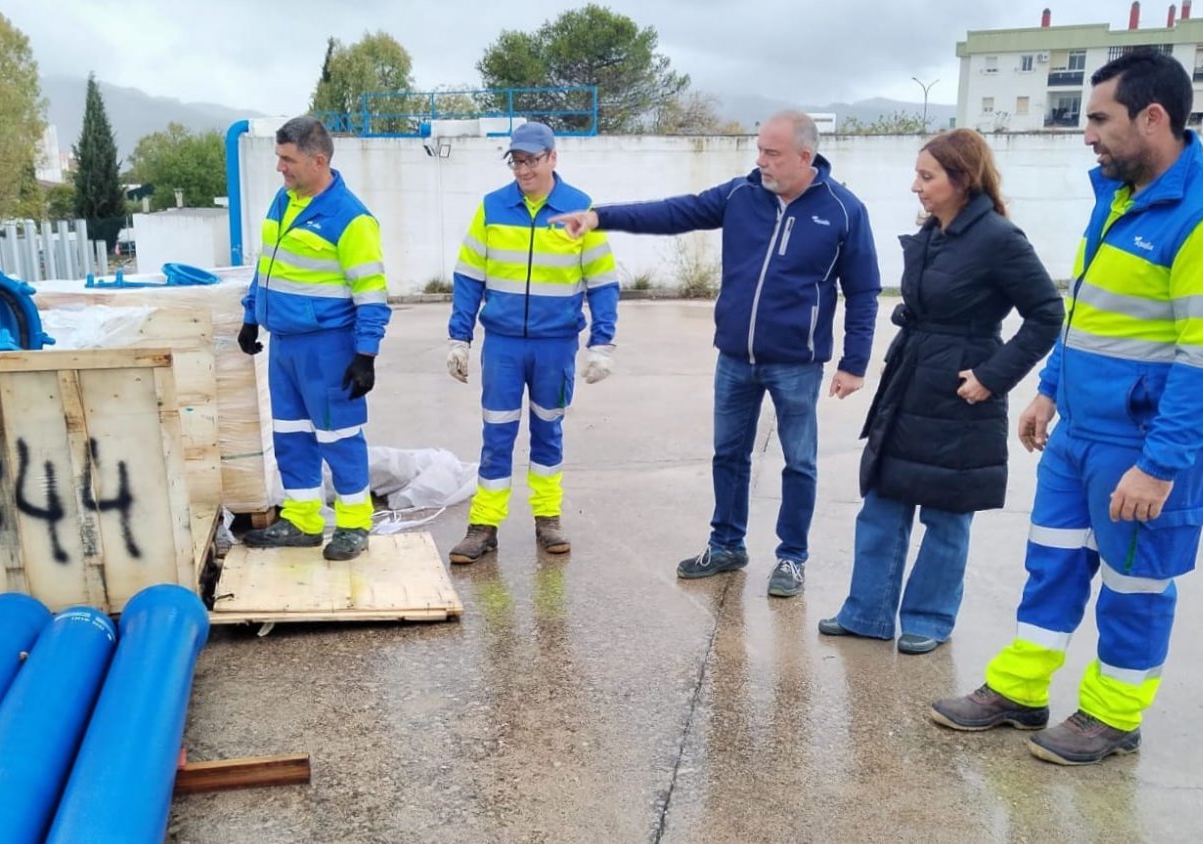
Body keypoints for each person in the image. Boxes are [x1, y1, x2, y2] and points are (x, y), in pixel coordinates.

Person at [930, 51, 1203, 765]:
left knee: (1134, 583)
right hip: (1085, 428)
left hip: (1152, 441)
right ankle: (1020, 690)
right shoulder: (1116, 196)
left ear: (1153, 118)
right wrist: (1050, 388)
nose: (1086, 134)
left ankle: (1114, 715)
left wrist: (1159, 466)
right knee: (1051, 562)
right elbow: (1085, 311)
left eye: (1099, 118)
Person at [552, 110, 881, 597]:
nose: (761, 161)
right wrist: (600, 217)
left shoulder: (842, 210)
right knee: (728, 454)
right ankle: (726, 543)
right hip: (735, 358)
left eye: (772, 153)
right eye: (759, 149)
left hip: (797, 363)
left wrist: (854, 363)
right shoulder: (740, 195)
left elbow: (864, 290)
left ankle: (792, 557)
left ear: (805, 156)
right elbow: (674, 212)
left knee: (800, 462)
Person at [817, 129, 1064, 655]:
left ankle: (929, 618)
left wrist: (992, 376)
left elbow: (1047, 314)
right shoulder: (934, 233)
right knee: (882, 502)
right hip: (909, 381)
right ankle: (867, 612)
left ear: (962, 179)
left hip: (961, 393)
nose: (916, 186)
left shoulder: (999, 239)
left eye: (927, 177)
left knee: (947, 514)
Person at [445, 121, 618, 563]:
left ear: (552, 158)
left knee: (548, 430)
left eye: (531, 161)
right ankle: (484, 525)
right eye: (516, 161)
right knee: (497, 434)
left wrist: (602, 343)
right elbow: (468, 277)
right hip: (503, 344)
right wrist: (459, 338)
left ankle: (548, 518)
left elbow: (602, 283)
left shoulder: (580, 210)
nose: (522, 170)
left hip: (555, 346)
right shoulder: (492, 209)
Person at [238, 116, 392, 561]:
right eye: (278, 158)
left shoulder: (352, 219)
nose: (280, 168)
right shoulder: (284, 202)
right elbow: (266, 265)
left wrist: (366, 355)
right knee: (290, 435)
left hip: (328, 346)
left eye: (288, 160)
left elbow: (372, 294)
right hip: (284, 343)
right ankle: (304, 521)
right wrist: (252, 315)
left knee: (339, 436)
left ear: (318, 160)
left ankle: (353, 524)